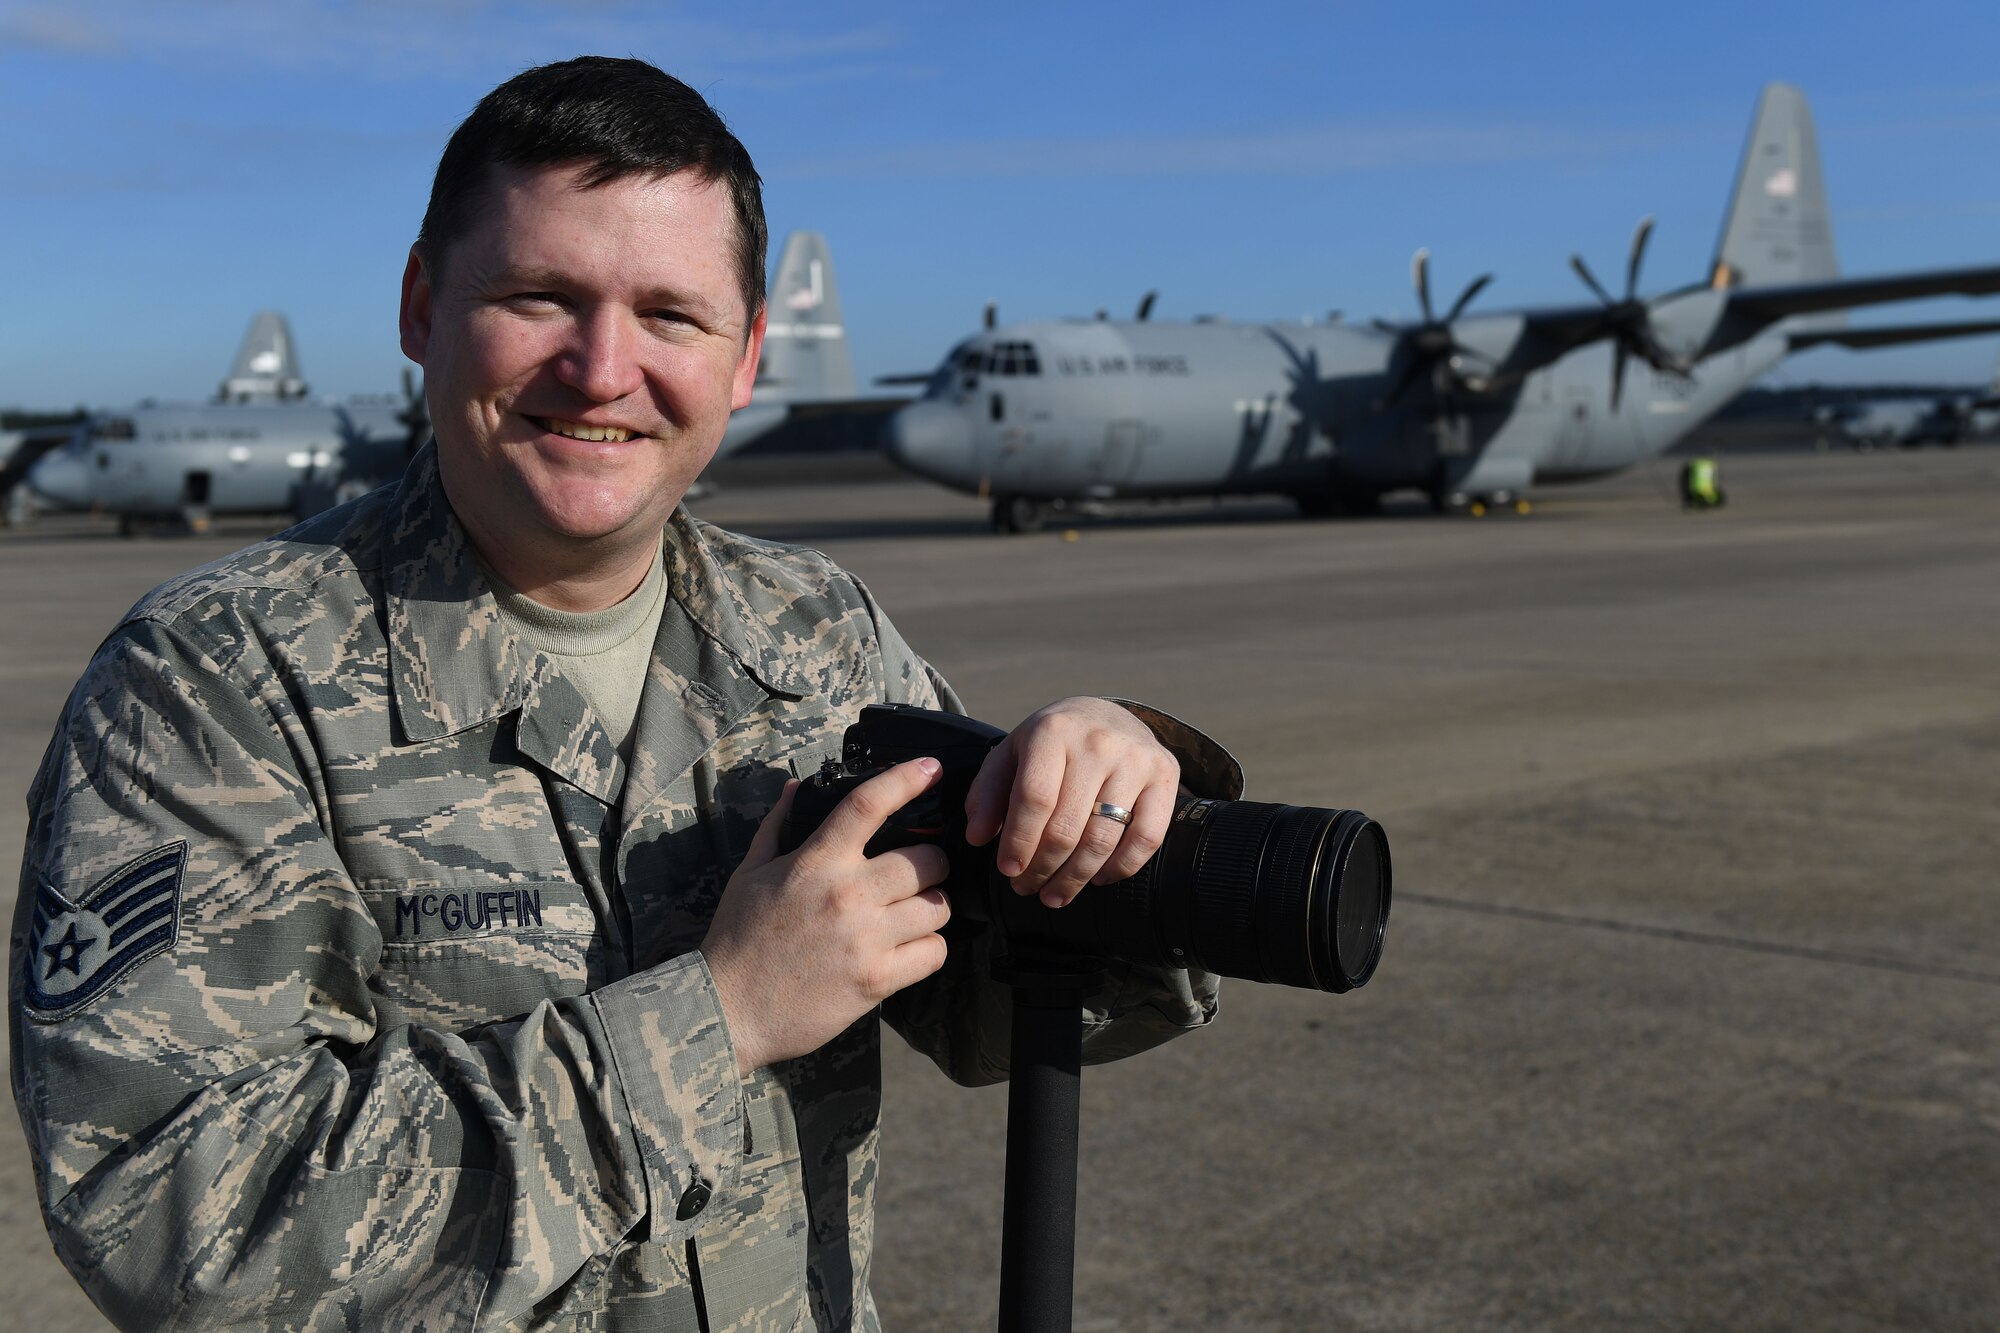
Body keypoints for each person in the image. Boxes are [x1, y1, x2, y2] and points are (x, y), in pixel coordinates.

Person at [9, 57, 1239, 1330]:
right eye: (540, 297)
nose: (602, 370)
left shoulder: (815, 634)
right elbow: (177, 1219)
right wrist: (718, 1017)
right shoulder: (212, 684)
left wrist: (1116, 797)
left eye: (670, 315)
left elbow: (999, 1001)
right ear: (422, 308)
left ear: (747, 355)